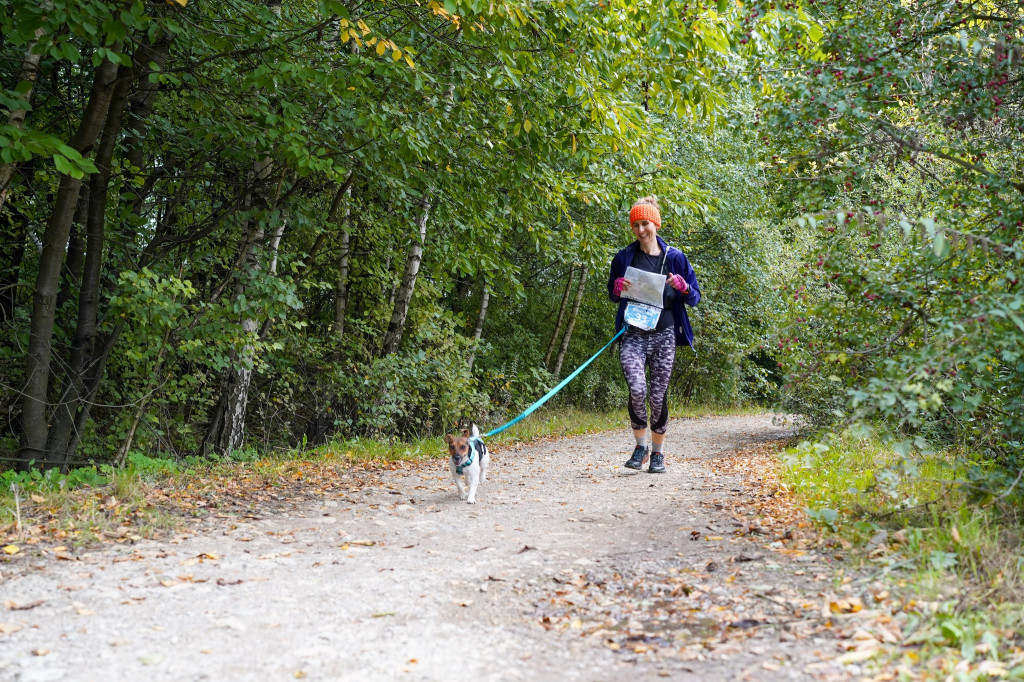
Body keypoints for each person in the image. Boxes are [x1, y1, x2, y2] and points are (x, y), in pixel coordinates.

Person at [607, 196, 701, 473]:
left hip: (664, 335)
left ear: (655, 223)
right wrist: (616, 288)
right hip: (633, 334)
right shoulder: (624, 257)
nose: (640, 230)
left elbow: (695, 297)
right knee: (637, 389)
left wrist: (684, 286)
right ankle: (640, 447)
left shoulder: (675, 257)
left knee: (658, 396)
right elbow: (613, 295)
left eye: (644, 223)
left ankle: (658, 453)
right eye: (635, 225)